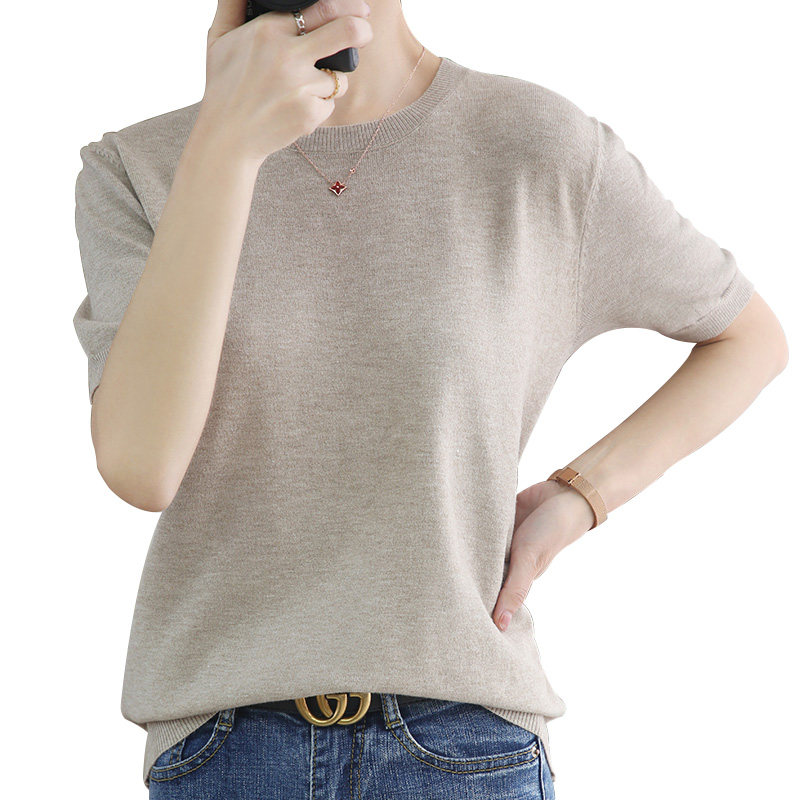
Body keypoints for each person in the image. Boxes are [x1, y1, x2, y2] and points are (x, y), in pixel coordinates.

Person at [71, 0, 788, 797]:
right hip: (226, 750)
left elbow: (748, 338)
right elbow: (142, 466)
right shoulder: (138, 168)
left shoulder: (534, 146)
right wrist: (227, 147)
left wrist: (580, 495)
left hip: (464, 742)